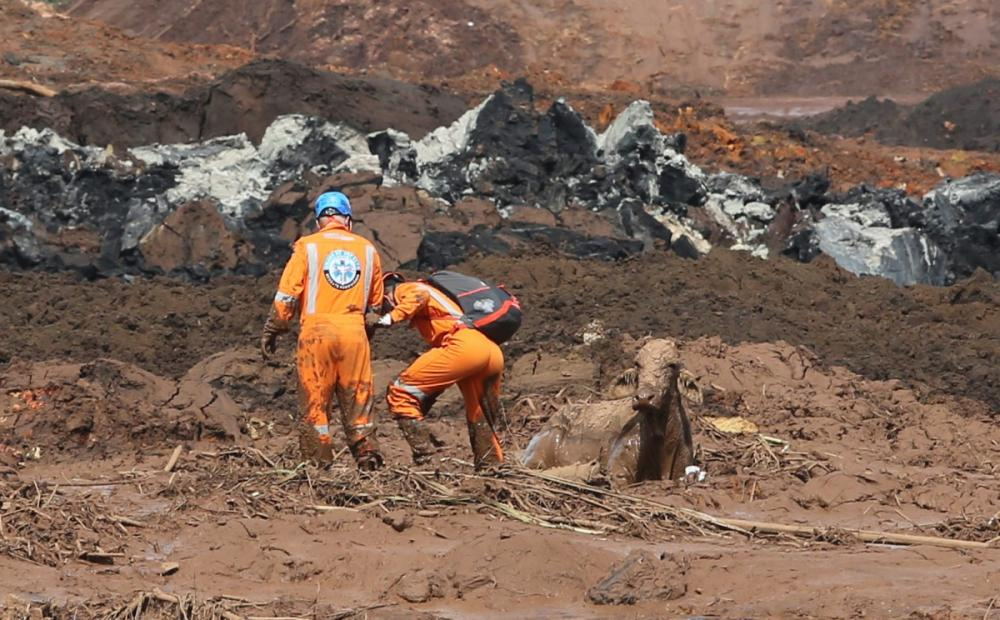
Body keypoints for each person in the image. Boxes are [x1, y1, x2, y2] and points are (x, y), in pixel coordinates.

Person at [260, 191, 384, 470]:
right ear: (347, 220)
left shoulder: (308, 246)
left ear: (320, 222)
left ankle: (319, 466)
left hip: (317, 333)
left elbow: (287, 295)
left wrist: (274, 328)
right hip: (354, 332)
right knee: (359, 399)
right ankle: (367, 457)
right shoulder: (367, 249)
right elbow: (375, 306)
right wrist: (365, 335)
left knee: (316, 402)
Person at [367, 273, 504, 469]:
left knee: (400, 393)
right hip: (488, 348)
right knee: (480, 413)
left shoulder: (403, 289)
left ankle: (427, 463)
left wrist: (386, 319)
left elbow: (418, 295)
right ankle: (491, 468)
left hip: (463, 345)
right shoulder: (441, 297)